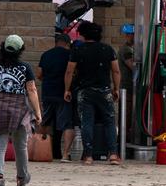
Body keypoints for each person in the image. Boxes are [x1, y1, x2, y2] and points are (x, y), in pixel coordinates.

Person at [0, 34, 42, 186]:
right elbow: (32, 90)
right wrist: (37, 112)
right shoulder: (25, 67)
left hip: (0, 108)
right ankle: (21, 177)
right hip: (20, 109)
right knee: (20, 146)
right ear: (20, 50)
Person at [63, 20, 121, 165]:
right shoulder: (108, 49)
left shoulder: (78, 50)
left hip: (85, 91)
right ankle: (113, 154)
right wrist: (116, 88)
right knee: (109, 121)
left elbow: (69, 71)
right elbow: (116, 70)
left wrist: (67, 89)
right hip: (104, 90)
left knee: (86, 122)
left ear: (83, 34)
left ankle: (88, 156)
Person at [37, 33, 76, 161]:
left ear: (56, 42)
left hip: (48, 93)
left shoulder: (46, 55)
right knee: (67, 124)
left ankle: (41, 151)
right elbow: (73, 73)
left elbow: (39, 74)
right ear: (67, 43)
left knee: (45, 121)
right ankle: (65, 154)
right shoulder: (70, 55)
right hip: (64, 94)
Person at [117, 25, 135, 95]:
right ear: (127, 35)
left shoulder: (131, 48)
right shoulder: (126, 50)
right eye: (133, 34)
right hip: (127, 88)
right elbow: (133, 67)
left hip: (129, 87)